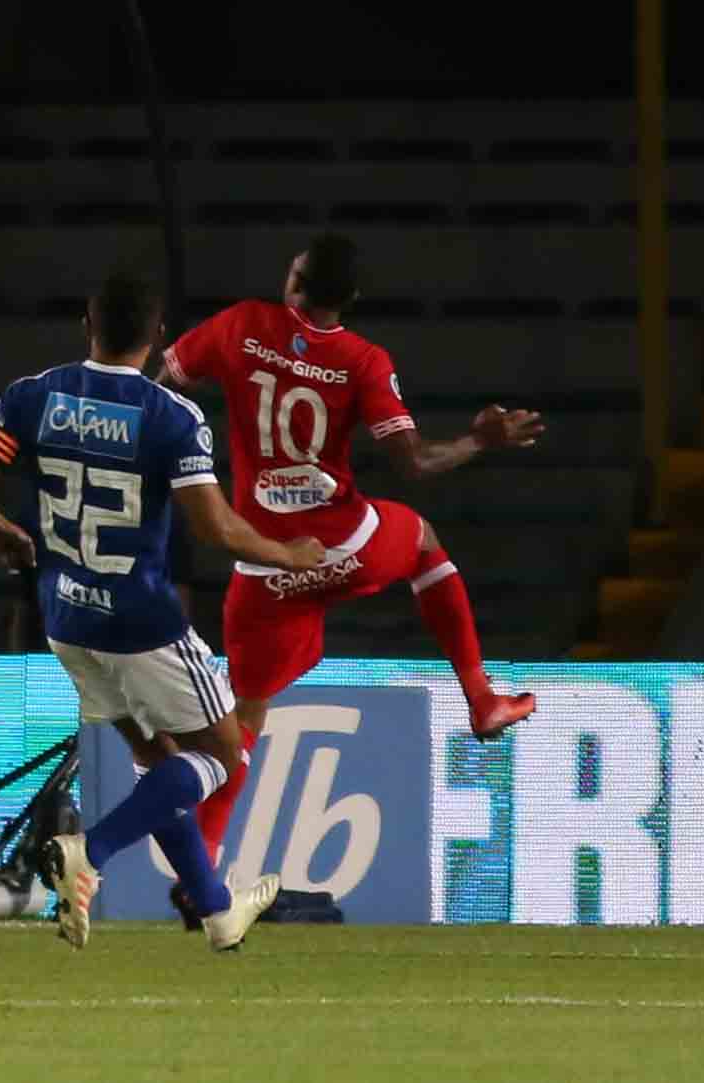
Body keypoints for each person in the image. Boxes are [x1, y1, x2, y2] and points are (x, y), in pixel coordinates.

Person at [154, 233, 543, 904]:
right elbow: (414, 463)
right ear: (351, 300)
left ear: (295, 281)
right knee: (422, 541)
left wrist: (182, 474)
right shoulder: (363, 360)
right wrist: (482, 439)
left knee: (244, 721)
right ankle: (481, 696)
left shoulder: (242, 325)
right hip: (342, 543)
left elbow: (163, 392)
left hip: (263, 561)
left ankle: (202, 865)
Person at [0, 270, 323, 951]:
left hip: (65, 617)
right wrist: (289, 553)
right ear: (158, 337)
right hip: (141, 621)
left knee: (157, 756)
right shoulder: (171, 417)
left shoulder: (32, 396)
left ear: (86, 323)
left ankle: (215, 910)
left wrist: (0, 530)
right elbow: (214, 528)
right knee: (224, 751)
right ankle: (90, 851)